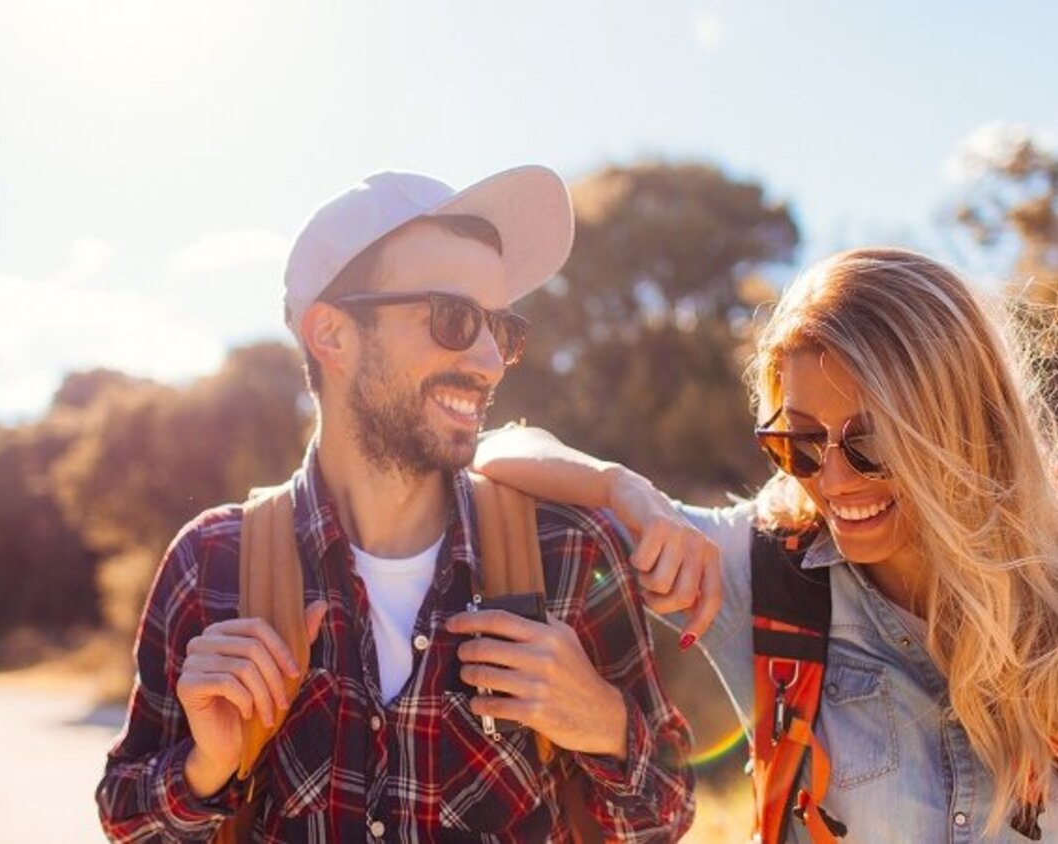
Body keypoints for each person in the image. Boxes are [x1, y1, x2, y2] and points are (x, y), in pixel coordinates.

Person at [95, 166, 695, 842]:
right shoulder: (212, 563)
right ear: (332, 336)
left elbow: (666, 818)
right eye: (455, 318)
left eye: (502, 327)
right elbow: (125, 819)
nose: (492, 360)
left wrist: (604, 723)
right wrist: (207, 767)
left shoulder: (570, 552)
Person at [474, 248, 1058, 842]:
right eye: (798, 441)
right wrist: (624, 487)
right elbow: (493, 450)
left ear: (960, 425)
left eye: (872, 445)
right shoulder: (764, 571)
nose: (831, 481)